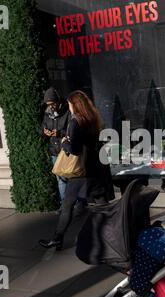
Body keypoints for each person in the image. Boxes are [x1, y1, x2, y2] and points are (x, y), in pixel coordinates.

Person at [39, 90, 114, 250]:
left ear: (74, 105)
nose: (69, 107)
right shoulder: (93, 119)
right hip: (94, 169)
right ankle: (116, 234)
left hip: (80, 172)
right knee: (102, 203)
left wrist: (65, 142)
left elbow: (75, 150)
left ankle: (57, 239)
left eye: (70, 104)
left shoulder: (75, 122)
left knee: (67, 206)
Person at [41, 87, 70, 211]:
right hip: (54, 151)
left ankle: (78, 203)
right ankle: (64, 205)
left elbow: (71, 129)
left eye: (53, 104)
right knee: (61, 179)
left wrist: (59, 133)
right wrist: (45, 132)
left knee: (73, 178)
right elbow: (42, 127)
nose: (51, 107)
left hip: (66, 151)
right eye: (49, 105)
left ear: (58, 101)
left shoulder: (67, 111)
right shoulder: (47, 113)